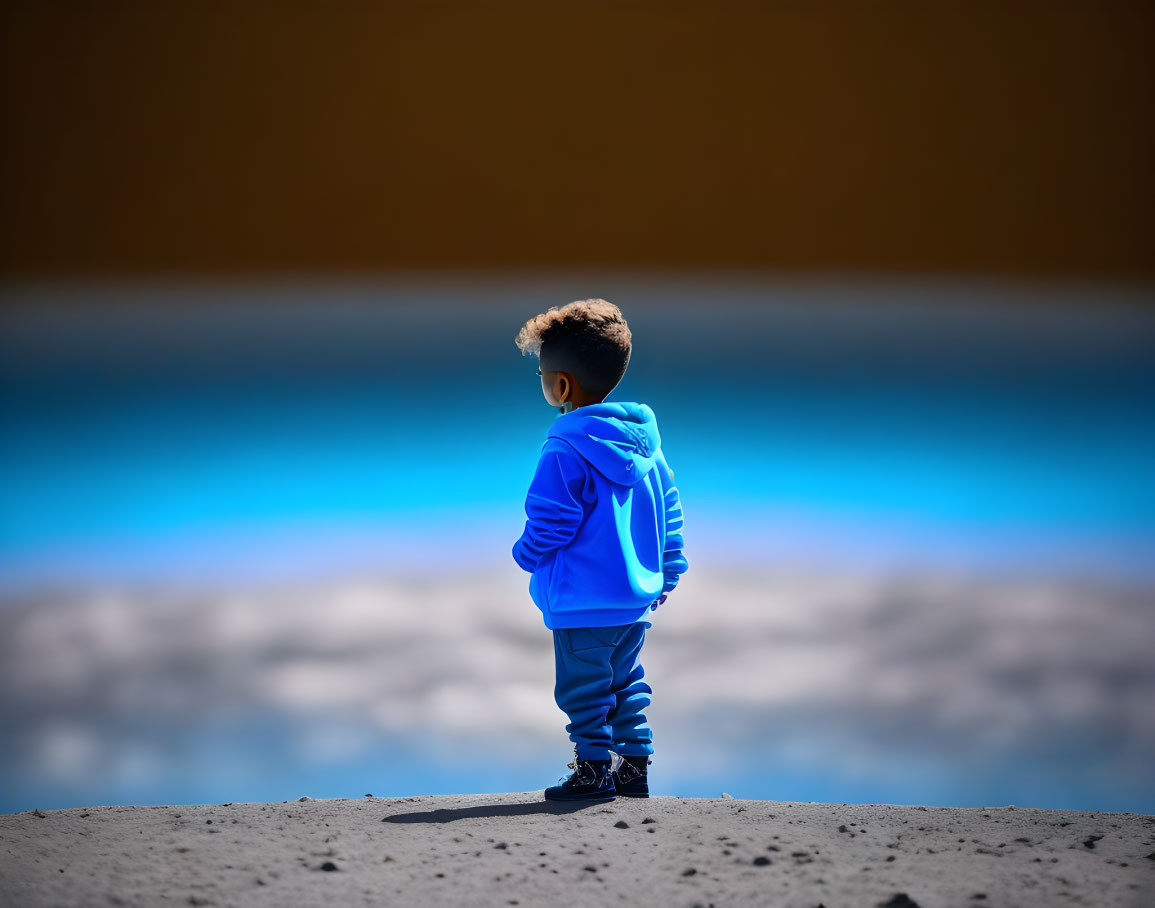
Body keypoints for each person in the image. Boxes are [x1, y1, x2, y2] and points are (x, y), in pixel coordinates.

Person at [511, 298, 688, 802]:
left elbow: (551, 519)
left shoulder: (564, 448)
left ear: (561, 385)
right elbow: (669, 515)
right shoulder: (646, 448)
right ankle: (634, 767)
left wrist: (526, 555)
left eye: (544, 375)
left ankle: (593, 770)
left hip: (581, 603)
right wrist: (667, 572)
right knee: (626, 683)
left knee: (580, 691)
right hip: (634, 601)